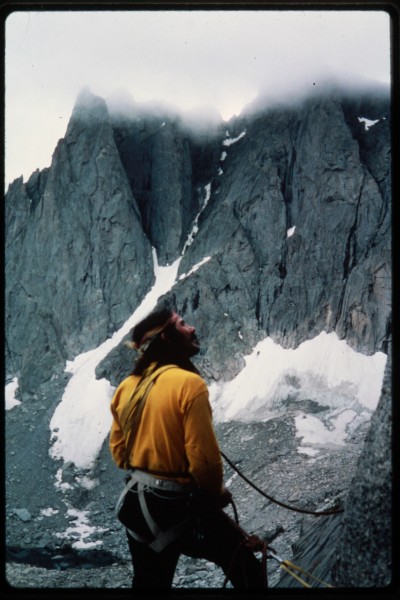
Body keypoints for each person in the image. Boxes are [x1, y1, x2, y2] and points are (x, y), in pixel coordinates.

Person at [109, 304, 265, 588]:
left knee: (149, 585)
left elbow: (120, 454)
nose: (192, 328)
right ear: (166, 339)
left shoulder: (127, 387)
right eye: (182, 324)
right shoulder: (189, 384)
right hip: (176, 506)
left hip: (135, 505)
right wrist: (216, 492)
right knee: (248, 571)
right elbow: (203, 461)